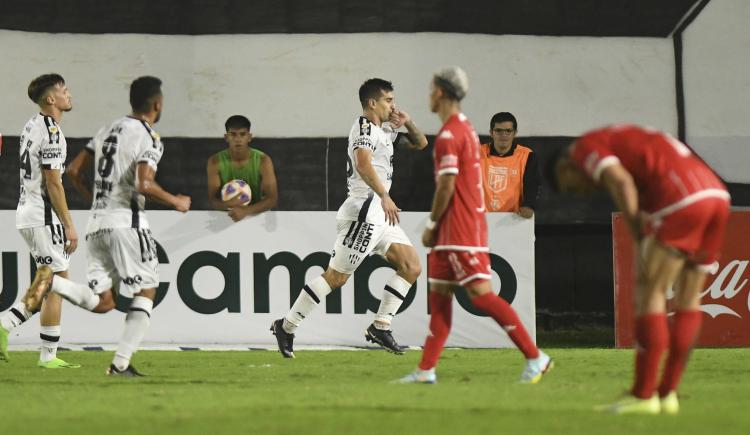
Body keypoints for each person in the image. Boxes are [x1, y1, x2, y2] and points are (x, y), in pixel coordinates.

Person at [548, 124, 730, 414]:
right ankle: (667, 394)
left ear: (565, 166)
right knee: (689, 299)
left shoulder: (585, 147)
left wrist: (635, 232)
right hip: (716, 193)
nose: (582, 192)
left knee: (651, 292)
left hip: (680, 197)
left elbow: (620, 182)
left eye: (572, 186)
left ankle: (644, 395)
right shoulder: (629, 139)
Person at [400, 67, 552, 385]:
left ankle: (536, 357)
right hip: (453, 232)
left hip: (460, 229)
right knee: (440, 302)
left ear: (440, 92)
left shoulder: (450, 135)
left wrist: (431, 223)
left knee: (482, 296)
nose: (428, 95)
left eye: (430, 89)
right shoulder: (464, 128)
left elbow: (447, 186)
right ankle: (426, 370)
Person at [270, 78, 428, 358]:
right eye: (388, 100)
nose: (393, 105)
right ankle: (287, 326)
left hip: (379, 213)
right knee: (336, 278)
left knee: (411, 266)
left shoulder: (385, 129)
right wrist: (384, 195)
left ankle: (381, 326)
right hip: (365, 209)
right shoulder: (364, 127)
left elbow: (421, 143)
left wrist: (409, 122)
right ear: (372, 103)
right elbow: (363, 163)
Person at [46, 76, 191, 376]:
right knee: (147, 289)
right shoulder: (149, 136)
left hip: (97, 223)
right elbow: (144, 183)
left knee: (104, 302)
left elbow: (72, 171)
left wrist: (96, 199)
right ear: (157, 104)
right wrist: (176, 201)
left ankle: (53, 283)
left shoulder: (107, 129)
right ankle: (120, 364)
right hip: (127, 223)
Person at [0, 73, 82, 368]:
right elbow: (53, 183)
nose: (68, 94)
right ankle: (7, 326)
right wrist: (69, 224)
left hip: (28, 213)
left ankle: (47, 355)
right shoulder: (52, 134)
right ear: (51, 99)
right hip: (42, 216)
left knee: (54, 284)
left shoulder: (32, 125)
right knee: (56, 284)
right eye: (64, 90)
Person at [206, 115, 278, 221]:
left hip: (257, 215)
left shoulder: (263, 160)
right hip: (229, 216)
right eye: (233, 134)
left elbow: (272, 198)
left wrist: (246, 211)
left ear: (249, 137)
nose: (238, 139)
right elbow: (212, 200)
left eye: (242, 134)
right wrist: (226, 204)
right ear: (226, 137)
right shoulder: (215, 161)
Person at [480, 112, 539, 217]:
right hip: (481, 218)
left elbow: (532, 184)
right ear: (491, 133)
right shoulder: (476, 153)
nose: (503, 135)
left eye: (508, 131)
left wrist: (529, 205)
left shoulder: (527, 155)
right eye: (498, 131)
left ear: (515, 133)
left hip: (514, 219)